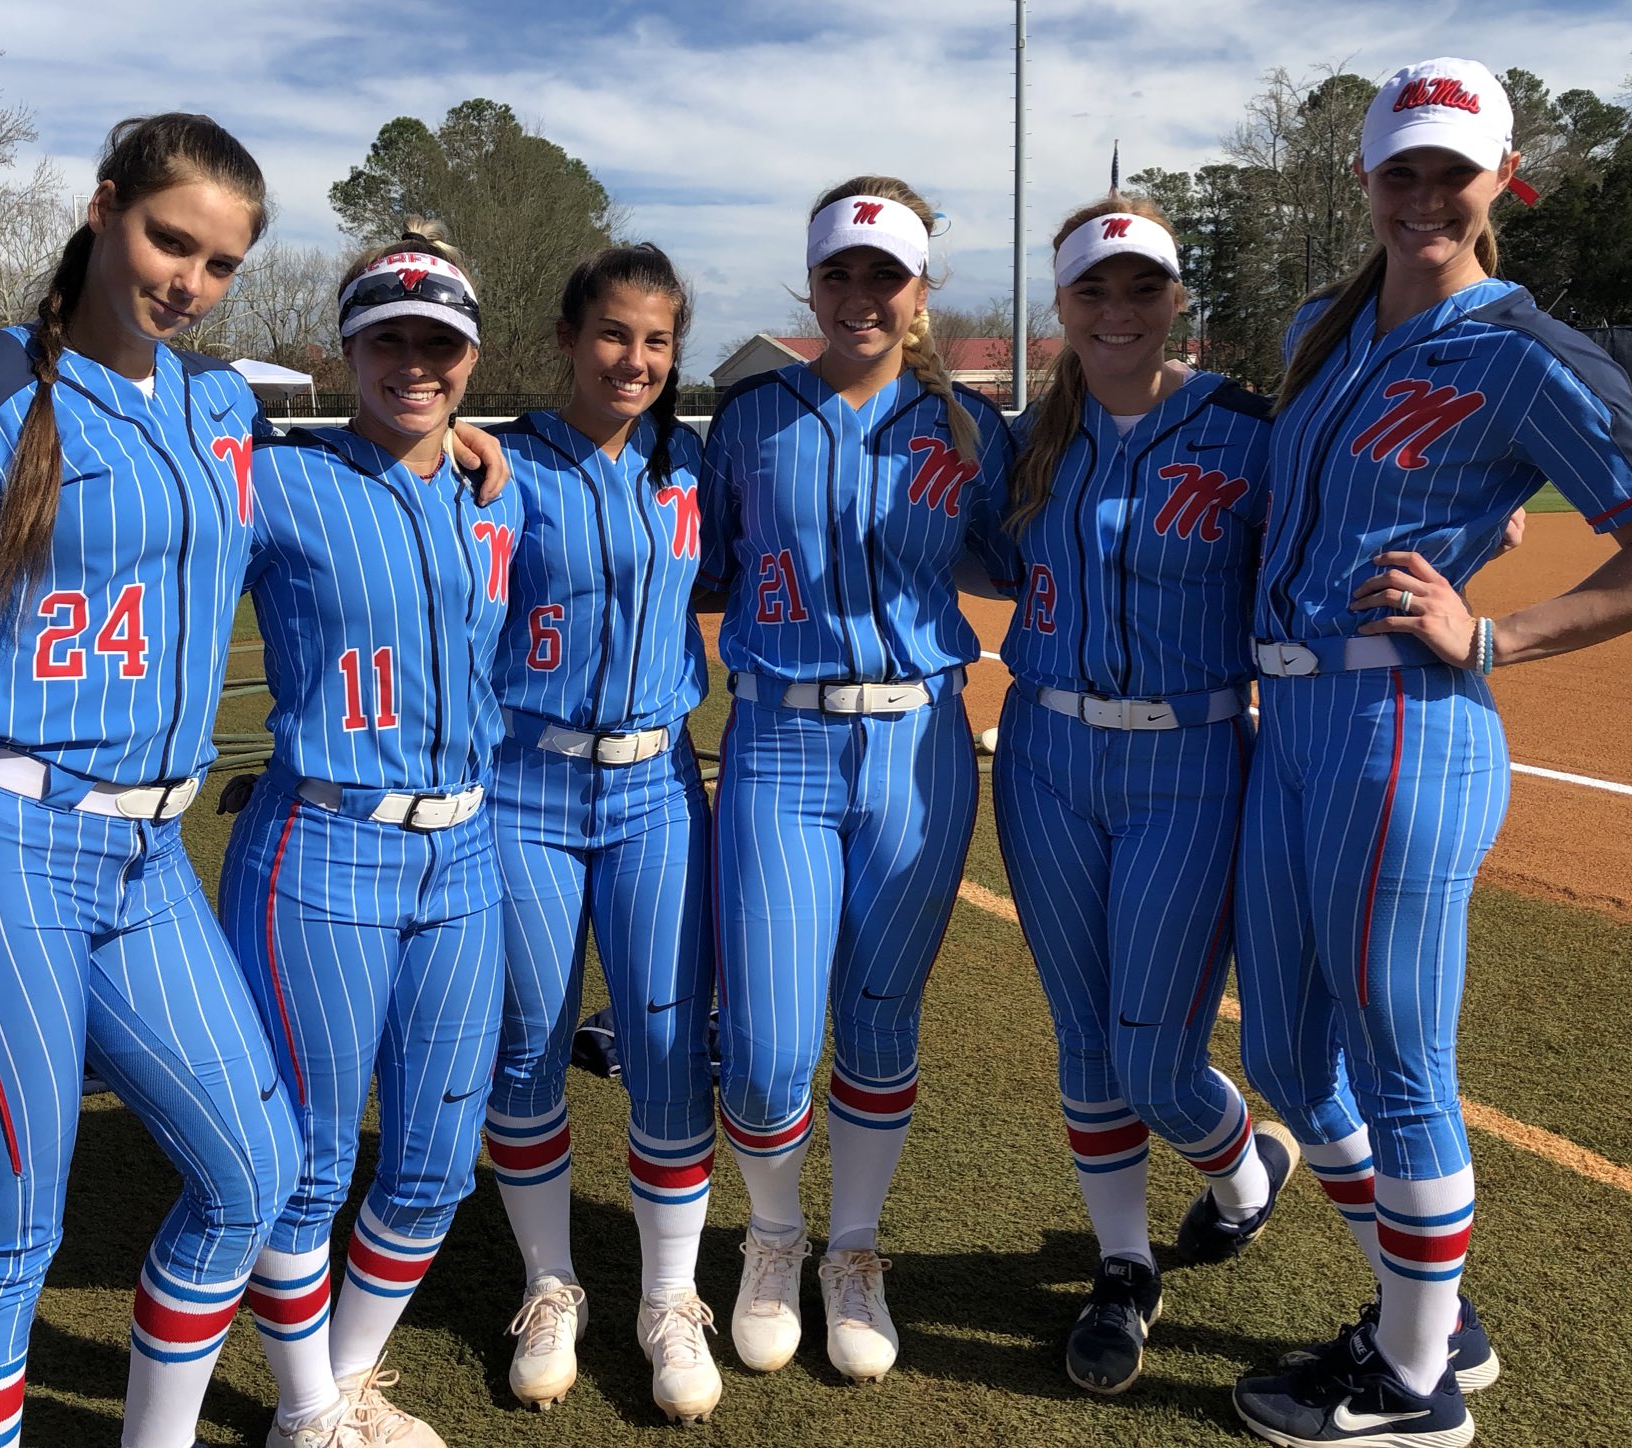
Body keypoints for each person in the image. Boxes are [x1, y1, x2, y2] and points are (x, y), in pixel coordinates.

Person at [1229, 58, 1632, 1448]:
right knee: (1283, 1049)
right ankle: (1425, 1304)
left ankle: (1405, 1385)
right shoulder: (1321, 327)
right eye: (1401, 170)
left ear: (1498, 182)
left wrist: (1491, 634)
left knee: (1397, 1066)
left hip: (1402, 729)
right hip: (1291, 727)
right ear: (1362, 182)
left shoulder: (1522, 350)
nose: (1425, 196)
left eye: (1454, 171)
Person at [0, 113, 304, 1448]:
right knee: (3, 1243)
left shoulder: (216, 403)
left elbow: (301, 500)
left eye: (218, 263)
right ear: (104, 210)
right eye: (169, 239)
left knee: (254, 1174)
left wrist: (445, 442)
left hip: (151, 863)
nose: (187, 279)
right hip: (0, 849)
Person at [698, 175, 1016, 1384]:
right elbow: (689, 551)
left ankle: (853, 1249)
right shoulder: (747, 415)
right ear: (811, 282)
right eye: (839, 273)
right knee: (773, 1043)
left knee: (880, 1023)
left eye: (885, 276)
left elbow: (1071, 531)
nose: (860, 296)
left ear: (920, 292)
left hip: (922, 742)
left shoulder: (975, 427)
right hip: (778, 738)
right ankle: (771, 1240)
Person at [990, 195, 1299, 1396]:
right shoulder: (1032, 436)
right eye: (1091, 291)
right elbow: (972, 552)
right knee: (1082, 1039)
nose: (1116, 310)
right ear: (1061, 308)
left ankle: (1242, 1175)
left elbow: (1343, 524)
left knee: (1160, 1059)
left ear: (1177, 298)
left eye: (1140, 287)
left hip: (1191, 757)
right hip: (1045, 754)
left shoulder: (1246, 430)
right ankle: (1123, 1265)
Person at [217, 226, 521, 1448]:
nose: (415, 362)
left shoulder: (503, 488)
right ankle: (307, 1410)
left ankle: (336, 1388)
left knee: (440, 1155)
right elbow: (139, 530)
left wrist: (471, 448)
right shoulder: (272, 477)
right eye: (389, 337)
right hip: (323, 843)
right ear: (348, 350)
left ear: (471, 355)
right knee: (307, 1154)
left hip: (466, 853)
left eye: (438, 342)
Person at [479, 244, 719, 1425]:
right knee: (526, 1036)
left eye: (659, 341)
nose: (636, 360)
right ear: (570, 336)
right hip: (524, 782)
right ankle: (550, 1279)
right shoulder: (499, 464)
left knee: (667, 1042)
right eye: (616, 334)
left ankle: (668, 1296)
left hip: (657, 787)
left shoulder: (690, 463)